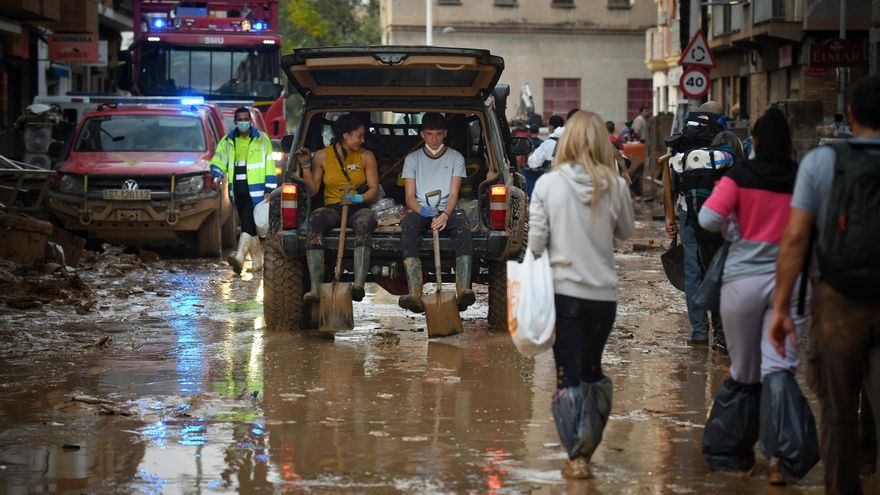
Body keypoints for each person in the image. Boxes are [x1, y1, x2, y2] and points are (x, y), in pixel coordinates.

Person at [769, 75, 880, 495]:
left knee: (837, 414)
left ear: (850, 115)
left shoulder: (821, 162)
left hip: (836, 299)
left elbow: (796, 238)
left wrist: (781, 308)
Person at [699, 108, 818, 485]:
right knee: (779, 369)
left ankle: (733, 456)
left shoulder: (739, 177)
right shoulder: (802, 179)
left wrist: (736, 228)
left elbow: (707, 220)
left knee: (744, 370)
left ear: (755, 142)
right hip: (794, 285)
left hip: (742, 283)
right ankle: (781, 461)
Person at [529, 110, 634, 479]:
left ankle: (577, 455)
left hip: (563, 296)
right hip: (603, 299)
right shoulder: (615, 185)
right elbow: (625, 231)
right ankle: (588, 443)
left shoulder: (547, 185)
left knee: (567, 378)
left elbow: (536, 244)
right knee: (592, 371)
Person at [295, 114, 380, 303]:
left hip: (358, 206)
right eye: (359, 135)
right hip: (333, 207)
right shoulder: (322, 156)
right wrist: (306, 166)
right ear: (345, 135)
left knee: (365, 222)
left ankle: (358, 284)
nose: (363, 140)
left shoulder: (366, 156)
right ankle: (316, 289)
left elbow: (374, 190)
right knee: (315, 222)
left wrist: (357, 197)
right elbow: (313, 189)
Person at [398, 112, 475, 313]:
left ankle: (463, 289)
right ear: (422, 134)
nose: (434, 139)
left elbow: (454, 193)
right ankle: (415, 292)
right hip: (421, 208)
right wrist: (422, 210)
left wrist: (445, 215)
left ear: (445, 134)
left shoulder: (455, 157)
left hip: (446, 209)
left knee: (462, 225)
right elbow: (409, 197)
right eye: (430, 134)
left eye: (439, 134)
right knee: (408, 225)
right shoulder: (412, 159)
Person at [665, 100, 727, 346]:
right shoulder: (726, 141)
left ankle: (699, 332)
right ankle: (721, 335)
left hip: (687, 212)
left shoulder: (681, 143)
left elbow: (669, 180)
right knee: (718, 269)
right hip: (718, 215)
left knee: (693, 272)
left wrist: (670, 217)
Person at [210, 107, 276, 274]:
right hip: (237, 189)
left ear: (251, 121)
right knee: (249, 222)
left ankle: (240, 256)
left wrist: (269, 187)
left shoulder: (262, 139)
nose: (243, 122)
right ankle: (257, 263)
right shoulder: (227, 141)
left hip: (258, 189)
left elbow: (269, 163)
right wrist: (216, 174)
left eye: (246, 119)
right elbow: (218, 160)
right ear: (235, 122)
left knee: (247, 221)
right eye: (240, 119)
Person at [524, 114, 565, 199]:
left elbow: (533, 163)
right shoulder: (571, 141)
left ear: (550, 127)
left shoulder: (548, 144)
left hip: (552, 184)